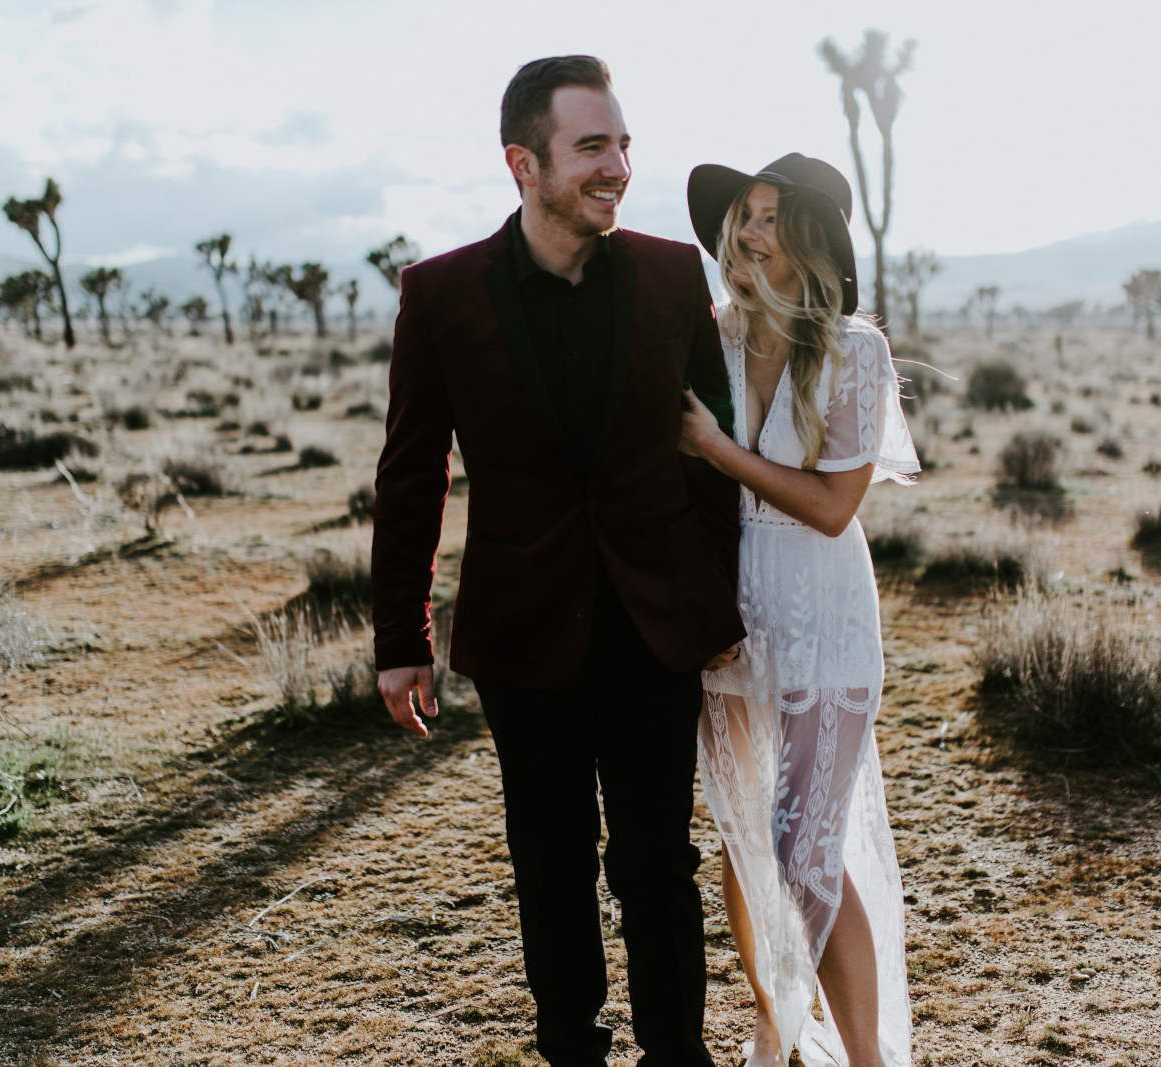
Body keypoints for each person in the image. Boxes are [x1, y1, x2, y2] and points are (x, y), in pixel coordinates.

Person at [369, 55, 744, 1067]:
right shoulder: (441, 294)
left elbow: (714, 451)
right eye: (592, 148)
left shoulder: (672, 275)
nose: (616, 165)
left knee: (657, 859)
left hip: (655, 618)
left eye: (622, 145)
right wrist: (399, 638)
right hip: (522, 625)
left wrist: (712, 593)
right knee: (549, 860)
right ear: (522, 162)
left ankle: (679, 1053)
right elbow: (410, 473)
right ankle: (571, 1047)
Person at [679, 153, 919, 1067]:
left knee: (802, 848)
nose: (749, 231)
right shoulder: (716, 335)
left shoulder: (856, 350)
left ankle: (865, 1059)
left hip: (823, 613)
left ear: (811, 238)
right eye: (745, 213)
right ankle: (775, 1025)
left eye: (772, 217)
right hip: (731, 615)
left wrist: (711, 444)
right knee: (744, 837)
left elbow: (829, 507)